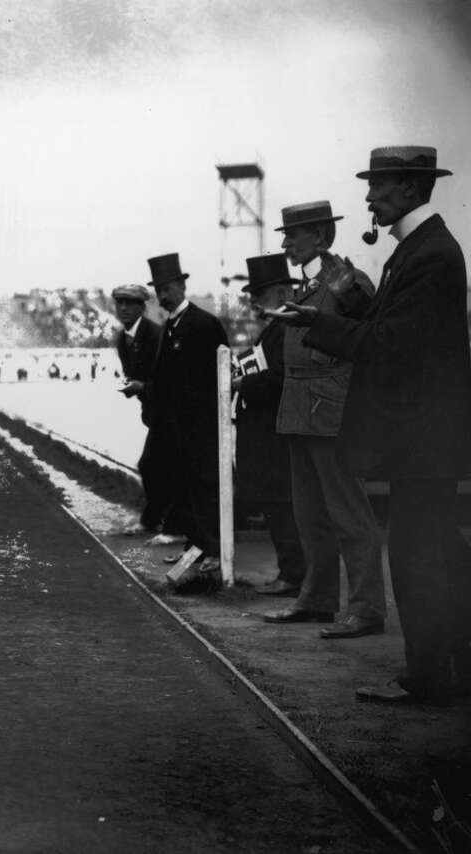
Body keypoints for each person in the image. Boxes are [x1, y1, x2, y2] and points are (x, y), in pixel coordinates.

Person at [280, 146, 471, 705]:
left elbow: (392, 344)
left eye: (379, 187)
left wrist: (323, 325)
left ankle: (428, 678)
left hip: (422, 440)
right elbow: (392, 327)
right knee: (435, 548)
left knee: (417, 556)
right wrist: (330, 318)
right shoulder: (419, 249)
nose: (368, 197)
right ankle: (448, 667)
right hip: (427, 439)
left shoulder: (428, 254)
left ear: (410, 188)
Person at [262, 201, 386, 634]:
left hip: (329, 409)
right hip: (300, 408)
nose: (284, 243)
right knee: (309, 513)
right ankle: (317, 600)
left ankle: (367, 609)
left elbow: (372, 322)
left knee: (349, 514)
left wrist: (348, 290)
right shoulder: (307, 285)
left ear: (319, 236)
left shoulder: (343, 280)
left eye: (291, 235)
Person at [144, 253, 229, 589]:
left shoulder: (203, 324)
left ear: (181, 285)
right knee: (186, 487)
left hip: (201, 425)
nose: (162, 296)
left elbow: (215, 377)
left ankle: (212, 551)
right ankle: (195, 547)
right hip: (177, 427)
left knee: (204, 488)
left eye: (167, 289)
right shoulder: (171, 326)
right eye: (158, 291)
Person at [232, 254, 307, 598]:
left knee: (281, 504)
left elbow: (280, 376)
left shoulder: (285, 328)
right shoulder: (274, 329)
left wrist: (242, 384)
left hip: (276, 432)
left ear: (279, 293)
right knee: (276, 504)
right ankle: (289, 571)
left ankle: (293, 574)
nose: (253, 302)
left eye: (258, 294)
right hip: (268, 429)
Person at [112, 284, 172, 535]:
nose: (123, 308)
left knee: (152, 465)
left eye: (129, 303)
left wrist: (142, 387)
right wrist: (133, 387)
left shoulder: (155, 335)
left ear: (142, 307)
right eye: (119, 303)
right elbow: (135, 374)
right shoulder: (122, 338)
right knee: (154, 466)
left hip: (172, 412)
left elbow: (169, 379)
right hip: (155, 413)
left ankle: (159, 522)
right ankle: (159, 520)